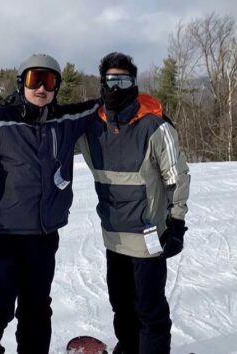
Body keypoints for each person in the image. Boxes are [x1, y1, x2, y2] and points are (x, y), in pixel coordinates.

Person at [0, 53, 98, 354]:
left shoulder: (64, 121)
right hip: (0, 238)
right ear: (22, 83)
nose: (42, 88)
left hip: (43, 239)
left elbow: (102, 105)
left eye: (49, 81)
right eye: (35, 80)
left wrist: (128, 95)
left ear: (56, 86)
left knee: (36, 310)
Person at [76, 52, 190, 353]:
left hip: (148, 238)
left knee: (149, 309)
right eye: (111, 80)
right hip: (113, 238)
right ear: (102, 84)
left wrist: (176, 222)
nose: (116, 87)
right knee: (122, 305)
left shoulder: (154, 125)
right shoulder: (91, 127)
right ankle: (128, 348)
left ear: (133, 84)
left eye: (123, 80)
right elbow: (52, 137)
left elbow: (177, 176)